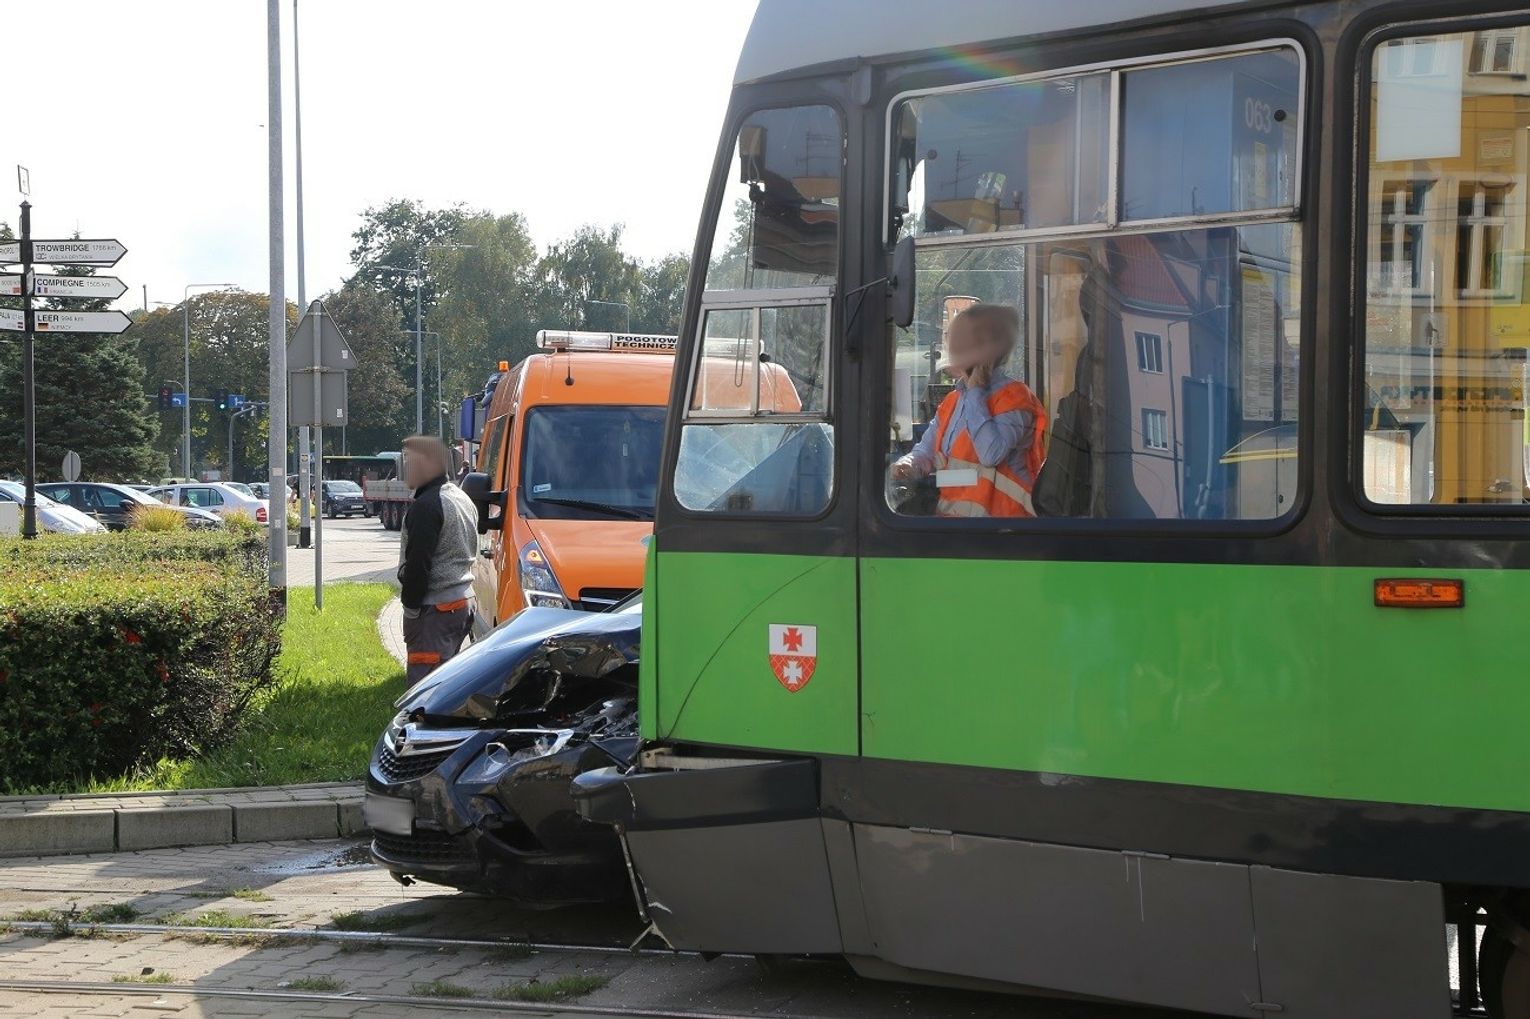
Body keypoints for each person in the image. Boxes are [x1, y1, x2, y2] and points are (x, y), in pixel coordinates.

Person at [892, 303, 1047, 517]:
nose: (950, 346)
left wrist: (975, 390)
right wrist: (909, 464)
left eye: (961, 341)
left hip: (1005, 529)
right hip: (958, 527)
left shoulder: (1015, 398)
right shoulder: (952, 401)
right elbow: (932, 454)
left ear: (989, 348)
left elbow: (991, 455)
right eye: (950, 338)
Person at [397, 435, 479, 685]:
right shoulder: (460, 497)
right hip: (461, 602)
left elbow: (418, 565)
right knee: (448, 683)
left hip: (434, 609)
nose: (405, 468)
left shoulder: (427, 506)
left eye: (410, 461)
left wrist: (411, 611)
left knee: (426, 691)